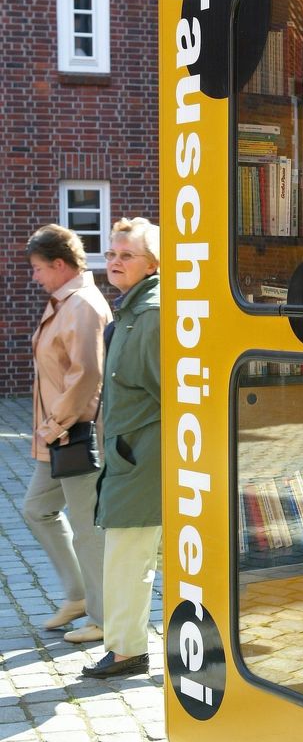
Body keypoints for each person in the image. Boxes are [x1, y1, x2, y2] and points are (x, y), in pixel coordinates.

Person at [23, 225, 111, 643]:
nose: (36, 277)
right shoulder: (64, 302)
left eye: (39, 269)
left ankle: (103, 617)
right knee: (36, 509)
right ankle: (77, 596)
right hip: (58, 437)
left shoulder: (82, 306)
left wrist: (54, 424)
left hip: (76, 436)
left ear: (60, 265)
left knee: (87, 527)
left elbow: (87, 376)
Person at [82, 217, 161, 679]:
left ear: (153, 263)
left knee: (127, 557)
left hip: (141, 457)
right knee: (131, 554)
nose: (114, 262)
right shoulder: (134, 308)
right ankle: (127, 645)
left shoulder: (150, 315)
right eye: (111, 254)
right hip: (130, 453)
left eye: (126, 255)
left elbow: (171, 393)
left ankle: (127, 650)